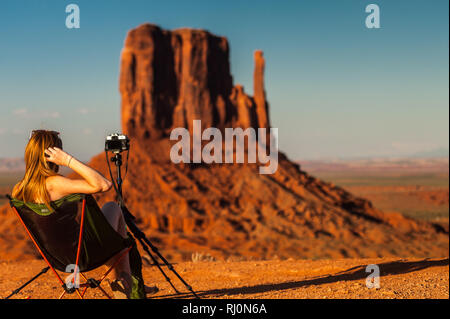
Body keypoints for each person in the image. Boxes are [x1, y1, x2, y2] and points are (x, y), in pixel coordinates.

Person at [12, 130, 157, 298]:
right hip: (85, 255)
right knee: (113, 208)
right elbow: (103, 184)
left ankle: (126, 283)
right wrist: (68, 160)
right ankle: (127, 286)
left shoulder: (19, 190)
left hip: (58, 259)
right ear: (52, 155)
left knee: (112, 233)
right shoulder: (54, 184)